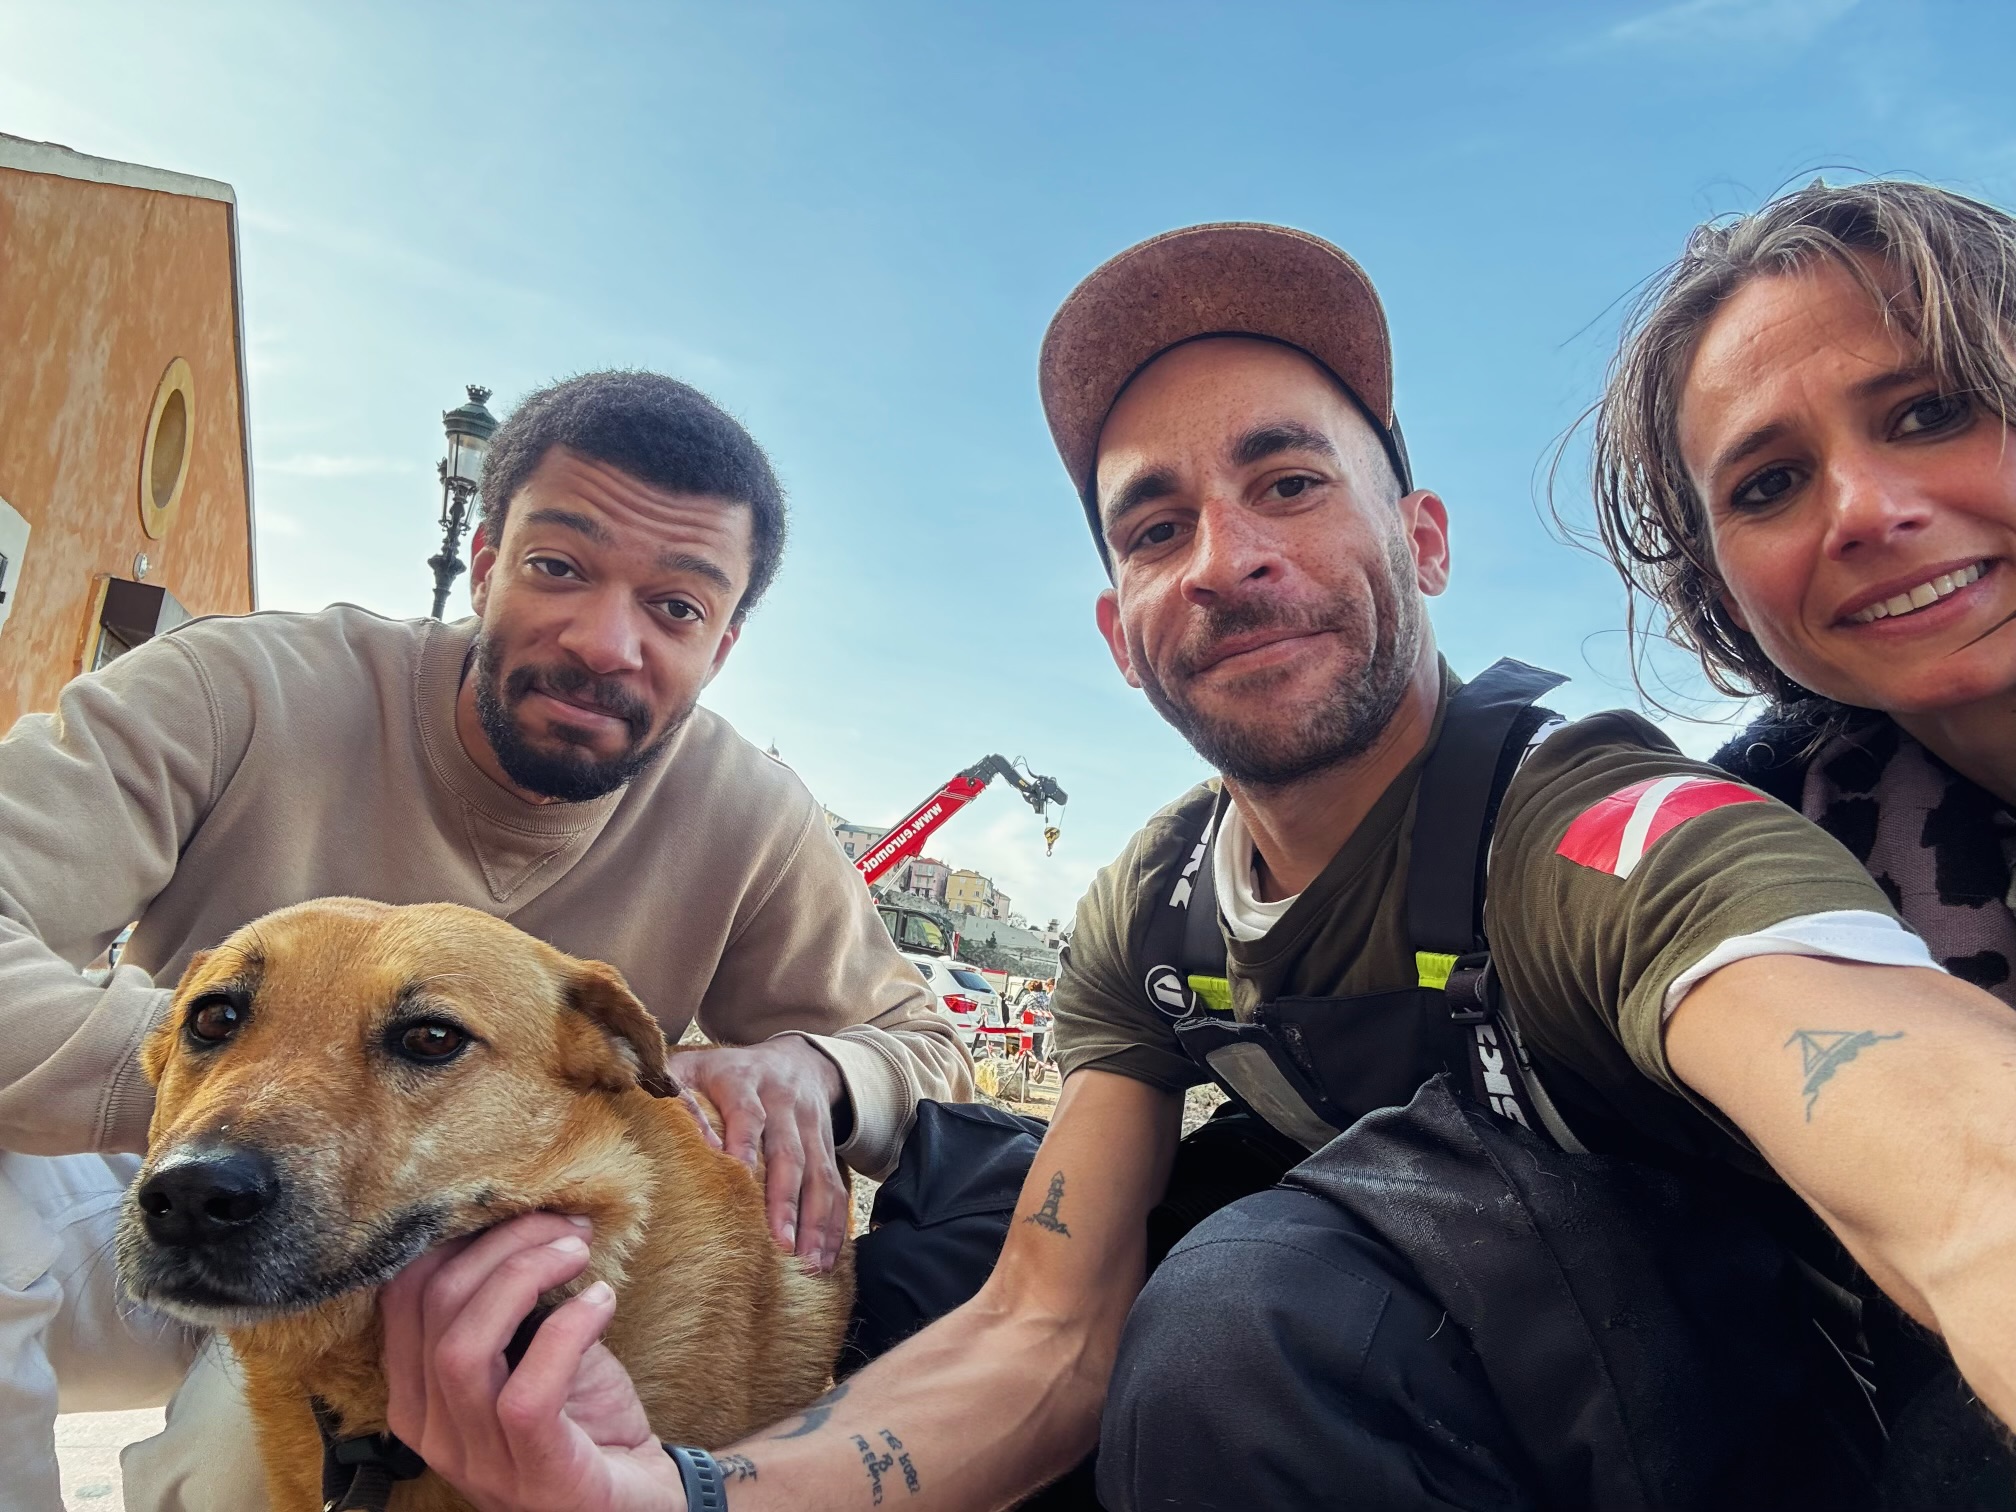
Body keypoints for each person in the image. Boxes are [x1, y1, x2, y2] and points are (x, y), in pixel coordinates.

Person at [383, 224, 2016, 1512]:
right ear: (1117, 631)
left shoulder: (1588, 815)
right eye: (1156, 526)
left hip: (1739, 1426)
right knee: (979, 1195)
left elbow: (1935, 1137)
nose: (1227, 560)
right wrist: (686, 1489)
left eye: (1290, 482)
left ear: (1425, 540)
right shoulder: (1153, 910)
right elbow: (1040, 1330)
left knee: (1257, 1299)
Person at [0, 370, 969, 1512]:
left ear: (725, 642)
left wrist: (820, 1067)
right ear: (483, 563)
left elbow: (921, 1043)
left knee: (236, 1472)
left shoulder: (750, 816)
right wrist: (220, 1081)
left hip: (466, 1258)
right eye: (559, 567)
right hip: (175, 1186)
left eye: (676, 607)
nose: (606, 641)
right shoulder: (239, 689)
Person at [1584, 176, 2016, 1498]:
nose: (1863, 510)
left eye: (1932, 410)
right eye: (1770, 483)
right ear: (1720, 590)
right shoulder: (1754, 830)